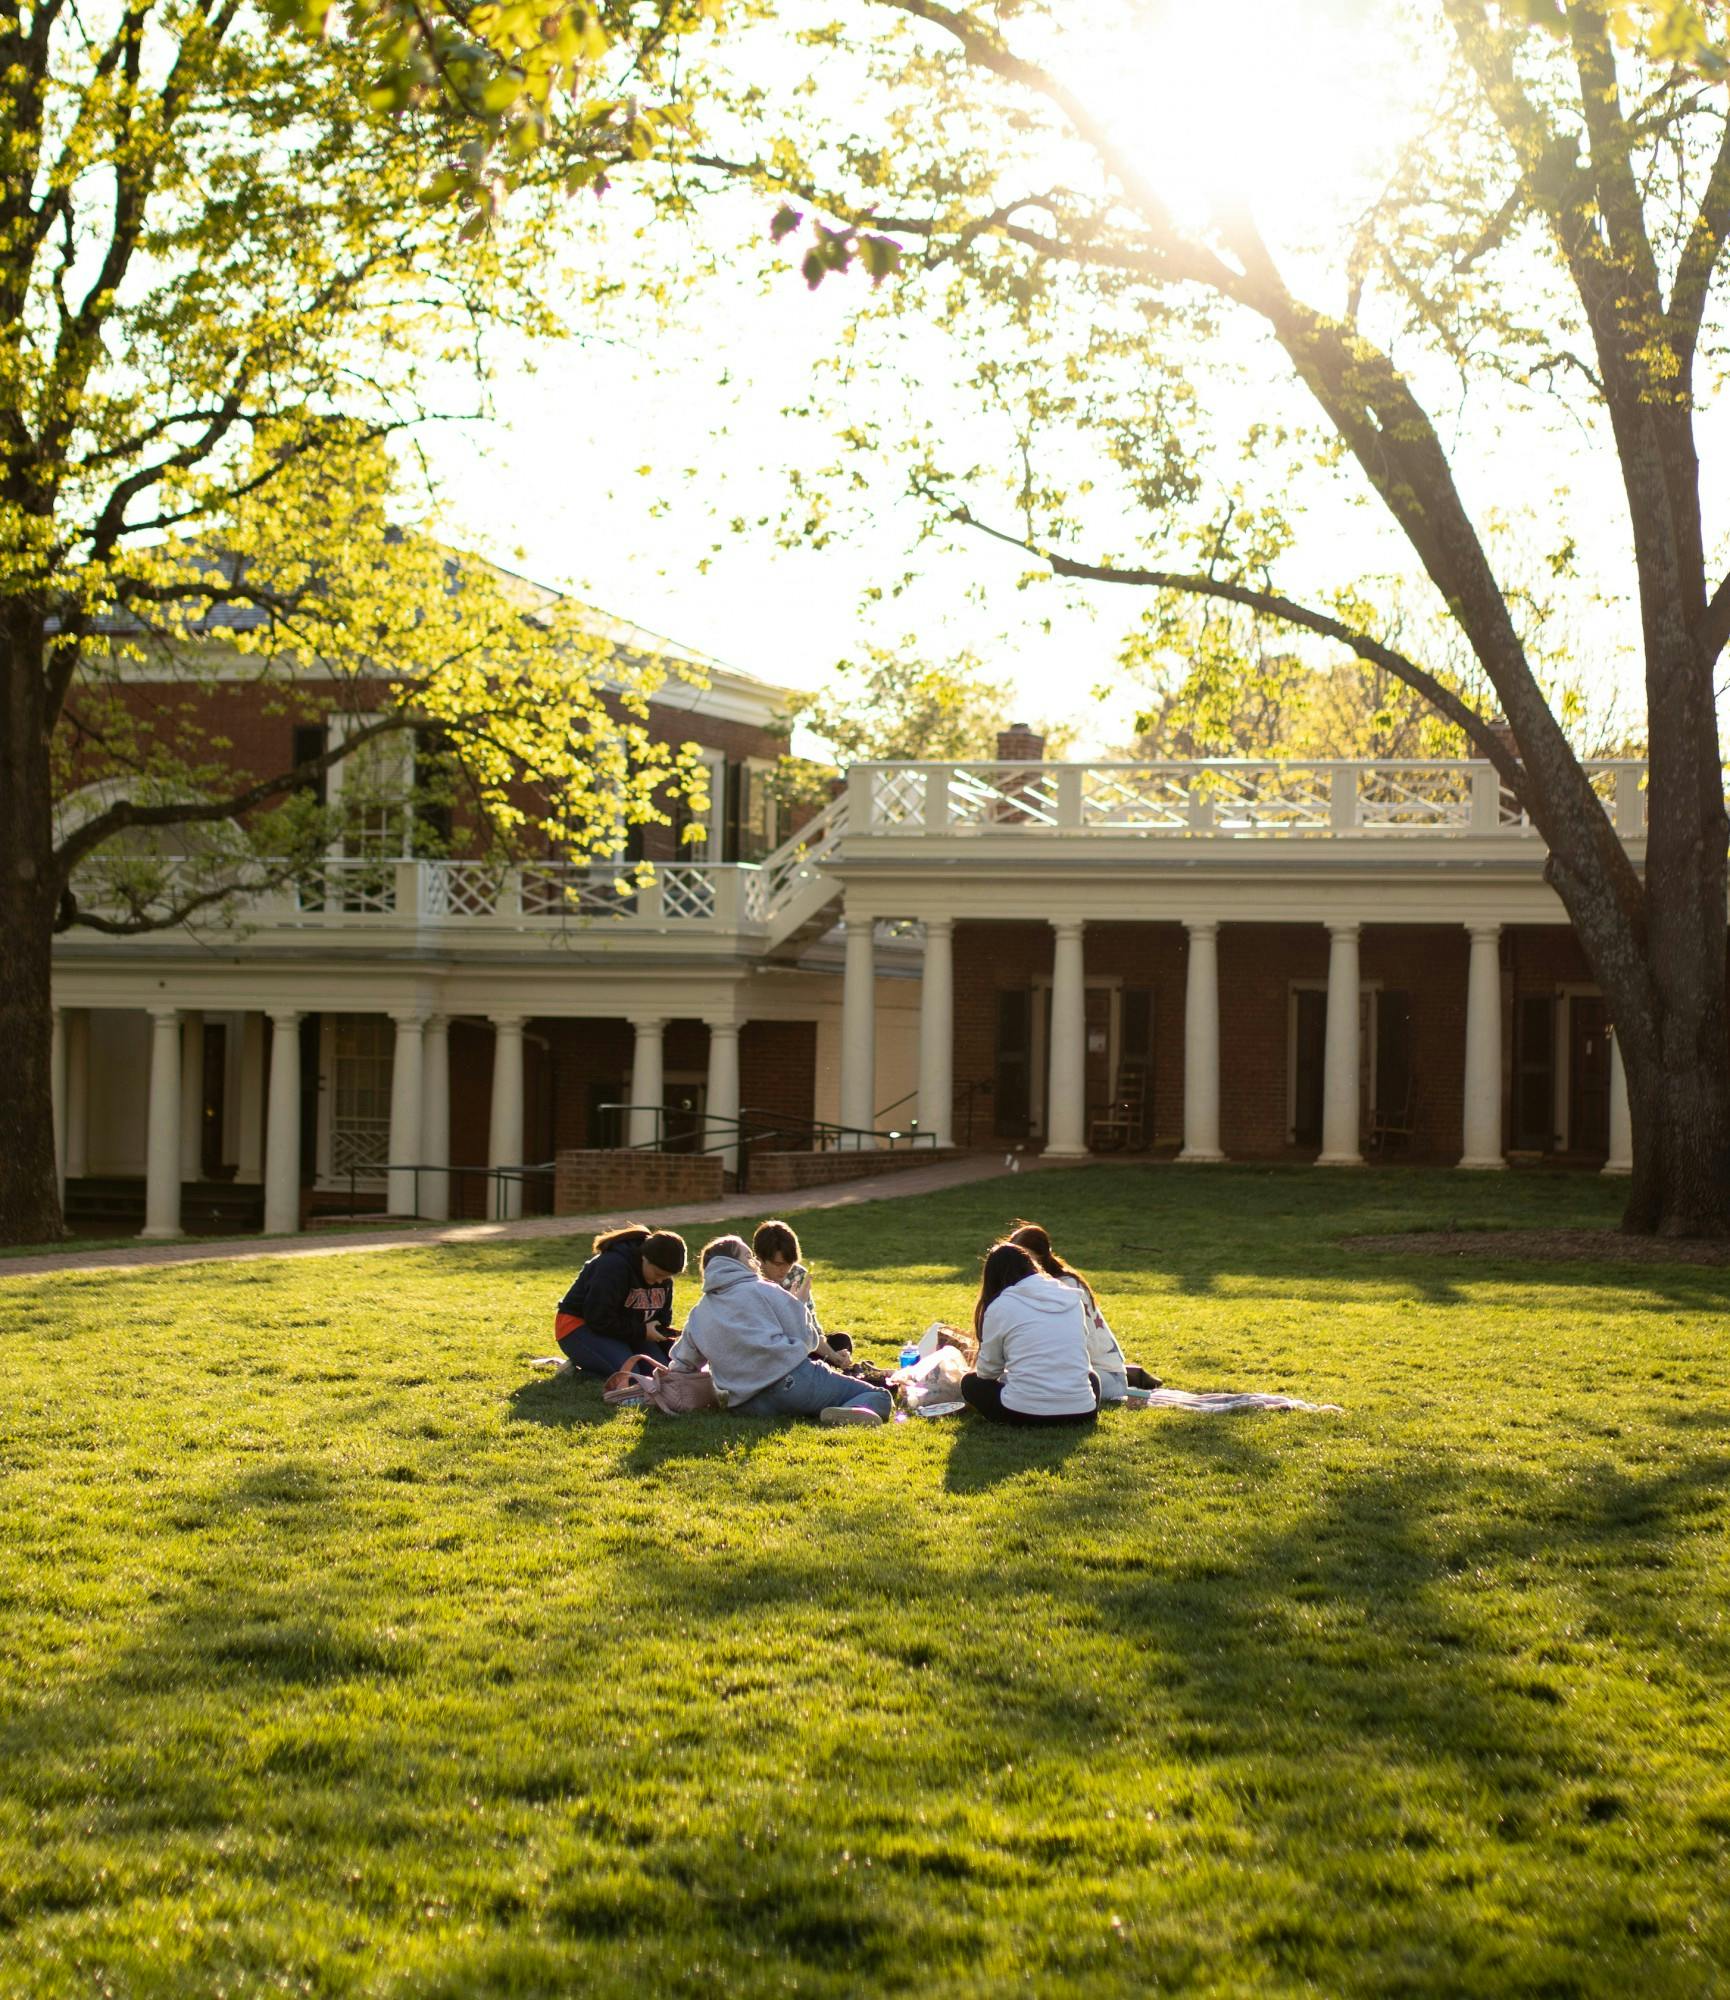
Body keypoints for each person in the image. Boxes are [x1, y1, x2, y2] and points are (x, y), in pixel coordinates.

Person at [668, 1236, 893, 1426]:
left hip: (748, 1405)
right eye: (748, 1256)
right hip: (793, 1383)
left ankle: (830, 1410)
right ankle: (842, 1411)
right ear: (733, 1263)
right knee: (879, 1396)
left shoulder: (698, 1313)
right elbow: (809, 1341)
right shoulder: (764, 1289)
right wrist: (799, 1305)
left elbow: (682, 1364)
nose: (754, 1261)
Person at [1007, 1220, 1157, 1403]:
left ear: (1040, 1258)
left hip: (1103, 1377)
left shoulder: (1064, 1287)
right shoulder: (1038, 1286)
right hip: (1084, 1373)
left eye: (1024, 1260)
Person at [961, 1241, 1099, 1426]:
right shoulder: (1071, 1298)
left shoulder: (1001, 1306)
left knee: (970, 1383)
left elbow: (987, 1372)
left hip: (1026, 1413)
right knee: (1092, 1377)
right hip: (1083, 1412)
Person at [554, 1225, 688, 1380]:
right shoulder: (612, 1266)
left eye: (666, 1277)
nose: (660, 1281)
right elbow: (598, 1319)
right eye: (658, 1274)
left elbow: (662, 1318)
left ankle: (599, 1361)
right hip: (578, 1326)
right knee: (631, 1376)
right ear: (644, 1258)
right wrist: (642, 1332)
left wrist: (664, 1337)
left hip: (625, 1331)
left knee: (660, 1374)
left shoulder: (663, 1276)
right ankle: (577, 1371)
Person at [751, 1218, 854, 1365]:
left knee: (840, 1341)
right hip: (771, 1352)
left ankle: (827, 1368)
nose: (785, 1270)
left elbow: (811, 1326)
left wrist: (834, 1355)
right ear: (760, 1259)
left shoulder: (798, 1275)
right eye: (778, 1264)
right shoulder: (750, 1282)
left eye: (789, 1264)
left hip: (803, 1342)